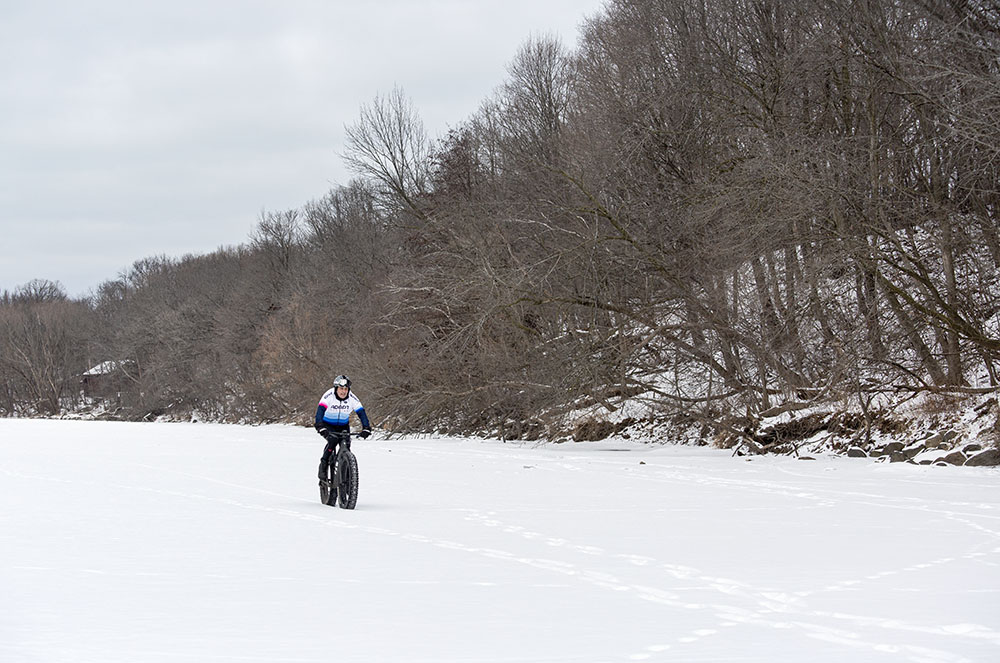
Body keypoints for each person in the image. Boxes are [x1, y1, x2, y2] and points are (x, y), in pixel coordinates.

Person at [315, 375, 371, 484]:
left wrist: (366, 428)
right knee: (332, 441)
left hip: (343, 426)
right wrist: (320, 426)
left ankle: (347, 474)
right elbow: (320, 411)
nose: (343, 391)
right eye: (341, 389)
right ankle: (324, 463)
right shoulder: (328, 396)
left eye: (346, 389)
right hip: (328, 424)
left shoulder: (352, 398)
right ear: (336, 388)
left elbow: (361, 413)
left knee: (346, 445)